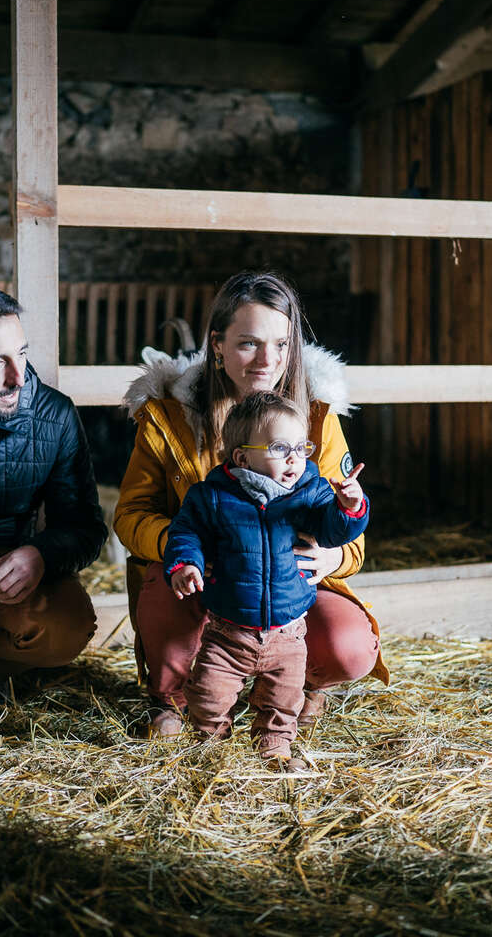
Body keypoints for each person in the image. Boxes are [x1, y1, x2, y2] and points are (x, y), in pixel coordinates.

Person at [114, 270, 389, 736]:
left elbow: (352, 536)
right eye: (249, 343)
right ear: (217, 345)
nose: (268, 360)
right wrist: (188, 549)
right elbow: (129, 516)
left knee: (348, 647)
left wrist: (334, 554)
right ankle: (173, 696)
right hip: (205, 582)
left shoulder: (317, 416)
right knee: (163, 585)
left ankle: (295, 684)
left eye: (281, 345)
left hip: (286, 583)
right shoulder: (168, 417)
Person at [164, 392, 369, 769]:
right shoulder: (212, 498)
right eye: (279, 447)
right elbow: (185, 533)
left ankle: (275, 750)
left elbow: (332, 531)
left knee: (283, 700)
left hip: (289, 632)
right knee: (208, 695)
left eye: (300, 447)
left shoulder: (310, 493)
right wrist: (185, 565)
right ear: (242, 458)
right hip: (228, 632)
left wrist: (348, 506)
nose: (295, 457)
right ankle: (211, 747)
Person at [0, 282, 107, 715]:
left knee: (69, 626)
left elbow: (85, 527)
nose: (17, 377)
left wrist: (42, 554)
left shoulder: (56, 416)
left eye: (22, 354)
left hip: (0, 576)